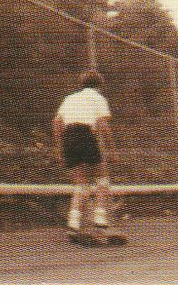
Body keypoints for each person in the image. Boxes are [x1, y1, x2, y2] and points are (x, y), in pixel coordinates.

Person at [52, 70, 118, 234]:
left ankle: (73, 221)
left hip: (68, 137)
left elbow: (57, 123)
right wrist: (112, 150)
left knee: (81, 183)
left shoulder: (69, 98)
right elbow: (103, 125)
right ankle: (100, 218)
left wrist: (60, 149)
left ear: (82, 84)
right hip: (85, 134)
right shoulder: (98, 98)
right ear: (99, 85)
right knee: (102, 179)